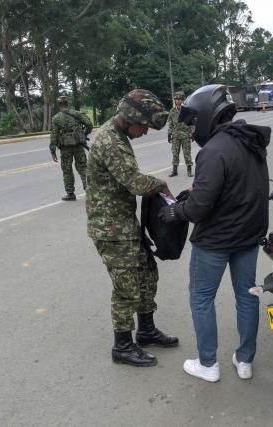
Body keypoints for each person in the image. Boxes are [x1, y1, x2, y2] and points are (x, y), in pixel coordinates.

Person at [159, 84, 270, 382]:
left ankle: (208, 364)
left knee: (202, 298)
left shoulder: (213, 150)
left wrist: (175, 211)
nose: (194, 129)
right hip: (248, 236)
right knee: (247, 296)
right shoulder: (250, 141)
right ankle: (244, 360)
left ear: (209, 115)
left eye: (195, 121)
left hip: (216, 241)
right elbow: (240, 187)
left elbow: (198, 209)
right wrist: (196, 192)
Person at [86, 89, 178, 367]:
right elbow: (135, 183)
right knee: (127, 288)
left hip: (124, 223)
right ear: (131, 118)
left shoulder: (119, 136)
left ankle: (146, 330)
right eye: (145, 126)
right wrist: (161, 185)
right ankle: (123, 346)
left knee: (147, 274)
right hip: (111, 229)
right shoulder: (110, 141)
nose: (146, 131)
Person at [49, 96, 93, 201]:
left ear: (59, 105)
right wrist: (83, 134)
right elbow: (89, 125)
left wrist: (52, 150)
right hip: (78, 145)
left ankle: (70, 193)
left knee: (67, 170)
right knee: (83, 167)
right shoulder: (76, 114)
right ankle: (90, 191)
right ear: (67, 103)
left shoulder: (56, 118)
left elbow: (54, 135)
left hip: (65, 148)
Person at [167, 91, 194, 177]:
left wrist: (193, 133)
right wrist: (169, 134)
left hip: (186, 135)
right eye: (176, 99)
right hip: (175, 135)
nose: (177, 101)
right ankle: (175, 171)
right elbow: (170, 123)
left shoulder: (187, 110)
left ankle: (189, 170)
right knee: (175, 153)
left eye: (179, 99)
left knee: (187, 153)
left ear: (182, 100)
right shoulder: (172, 111)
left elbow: (192, 122)